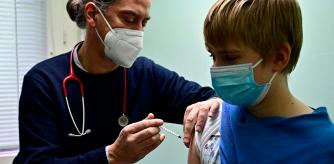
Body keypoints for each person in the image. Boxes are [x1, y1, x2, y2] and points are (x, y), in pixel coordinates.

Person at [13, 0, 222, 163]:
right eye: (129, 19)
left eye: (144, 22)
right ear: (93, 14)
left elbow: (209, 100)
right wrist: (111, 157)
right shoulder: (43, 81)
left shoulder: (145, 75)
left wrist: (213, 103)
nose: (138, 32)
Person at [188, 0, 334, 163]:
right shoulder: (210, 123)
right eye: (213, 56)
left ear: (279, 57)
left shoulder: (324, 147)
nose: (216, 69)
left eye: (230, 58)